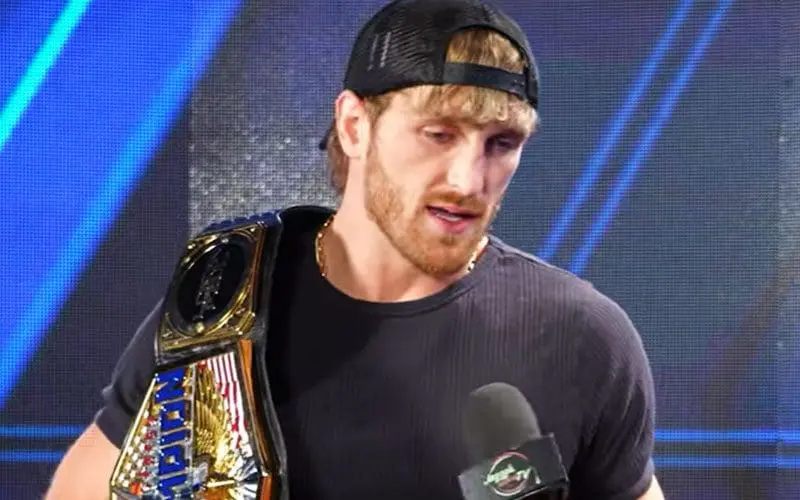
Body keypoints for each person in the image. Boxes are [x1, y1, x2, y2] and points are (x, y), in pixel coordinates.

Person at [46, 0, 664, 498]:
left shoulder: (581, 336)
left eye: (501, 143)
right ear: (354, 126)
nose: (468, 179)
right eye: (438, 134)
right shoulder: (224, 300)